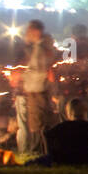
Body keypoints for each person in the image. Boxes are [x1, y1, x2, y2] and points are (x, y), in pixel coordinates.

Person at [19, 20, 54, 155]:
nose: (27, 33)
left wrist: (23, 75)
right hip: (37, 89)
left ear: (35, 32)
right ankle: (39, 149)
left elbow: (39, 70)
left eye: (29, 30)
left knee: (37, 121)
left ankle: (38, 150)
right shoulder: (40, 48)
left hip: (36, 89)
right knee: (37, 120)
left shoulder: (40, 50)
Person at [46, 97, 88, 165]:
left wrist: (52, 153)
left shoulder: (63, 126)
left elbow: (47, 135)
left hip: (64, 159)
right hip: (84, 159)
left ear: (69, 111)